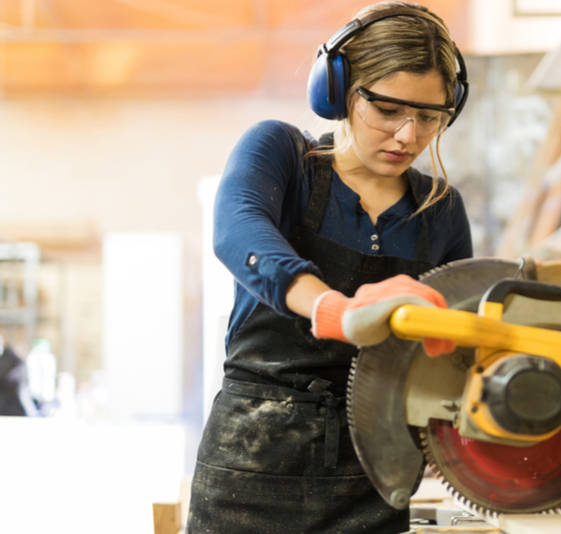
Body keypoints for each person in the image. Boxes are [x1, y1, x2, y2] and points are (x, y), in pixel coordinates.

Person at [187, 2, 473, 532]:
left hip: (374, 472)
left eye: (429, 117)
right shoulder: (282, 155)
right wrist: (333, 310)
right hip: (251, 462)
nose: (408, 136)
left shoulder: (440, 209)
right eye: (387, 110)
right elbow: (237, 230)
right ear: (338, 91)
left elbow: (455, 346)